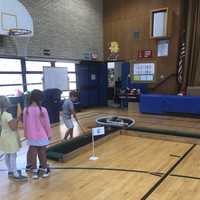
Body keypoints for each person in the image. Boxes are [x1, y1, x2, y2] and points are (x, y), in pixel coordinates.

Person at [23, 89, 52, 179]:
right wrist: (49, 134)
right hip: (42, 135)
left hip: (31, 136)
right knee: (42, 152)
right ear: (40, 99)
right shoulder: (43, 110)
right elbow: (46, 124)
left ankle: (35, 171)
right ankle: (44, 169)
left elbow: (25, 124)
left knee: (33, 153)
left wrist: (26, 135)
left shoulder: (26, 110)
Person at [0, 96, 27, 181]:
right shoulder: (8, 115)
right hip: (10, 137)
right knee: (13, 154)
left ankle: (10, 170)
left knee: (7, 153)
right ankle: (15, 173)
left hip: (4, 136)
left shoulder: (1, 114)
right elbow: (13, 127)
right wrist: (18, 118)